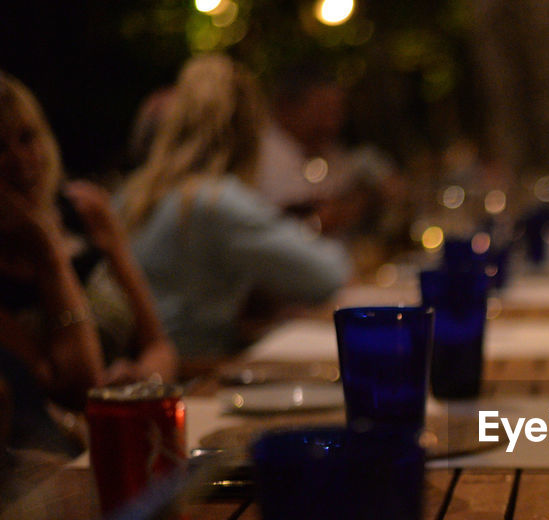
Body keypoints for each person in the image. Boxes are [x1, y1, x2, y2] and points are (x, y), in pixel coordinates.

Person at [119, 54, 350, 362]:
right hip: (192, 371)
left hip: (140, 372)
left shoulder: (131, 193)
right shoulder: (215, 200)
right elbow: (329, 274)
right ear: (248, 131)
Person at [0, 72, 176, 453]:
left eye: (27, 138)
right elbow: (79, 387)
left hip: (137, 429)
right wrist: (49, 257)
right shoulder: (31, 256)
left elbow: (159, 343)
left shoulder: (87, 210)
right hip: (62, 460)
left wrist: (146, 379)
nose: (19, 159)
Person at [253, 64, 399, 239]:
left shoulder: (326, 149)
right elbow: (311, 221)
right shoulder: (259, 156)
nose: (332, 123)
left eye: (337, 112)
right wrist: (365, 200)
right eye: (322, 111)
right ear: (285, 108)